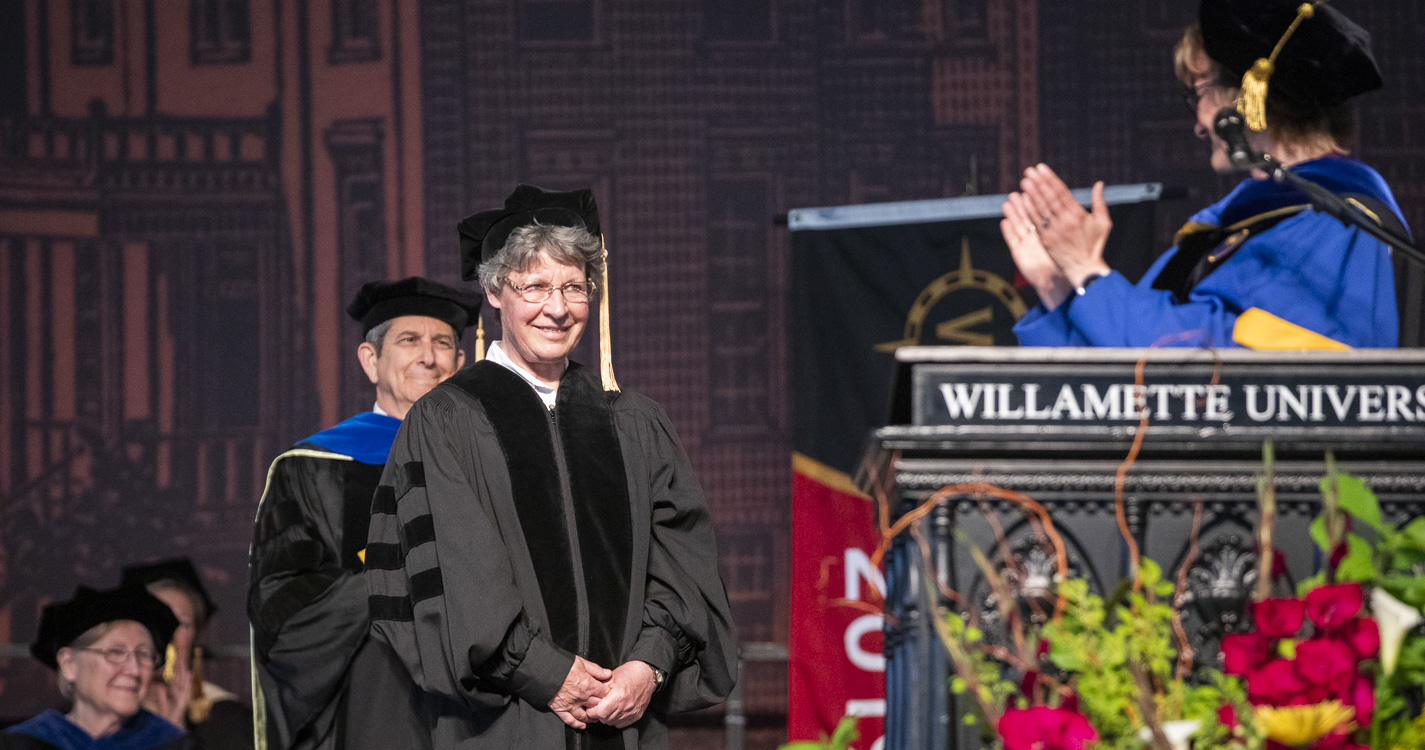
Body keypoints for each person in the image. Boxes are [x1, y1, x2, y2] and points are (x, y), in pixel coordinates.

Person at [365, 185, 737, 749]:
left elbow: (683, 568)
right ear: (494, 290)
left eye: (573, 286)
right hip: (505, 725)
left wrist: (648, 668)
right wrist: (548, 674)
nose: (558, 308)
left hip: (625, 720)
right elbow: (452, 582)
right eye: (534, 286)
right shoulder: (446, 422)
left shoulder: (633, 422)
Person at [1004, 0, 1406, 350]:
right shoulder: (1245, 221)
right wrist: (1059, 287)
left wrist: (1088, 272)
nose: (1197, 124)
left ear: (1248, 97)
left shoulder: (1337, 222)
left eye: (1198, 92)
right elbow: (1116, 381)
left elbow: (1229, 368)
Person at [247, 278, 480, 750]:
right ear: (371, 360)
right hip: (377, 694)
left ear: (460, 364)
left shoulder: (491, 462)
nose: (428, 357)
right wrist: (399, 581)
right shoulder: (312, 468)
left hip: (483, 687)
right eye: (409, 340)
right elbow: (282, 605)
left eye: (442, 344)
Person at [4, 585, 186, 750]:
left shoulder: (170, 743)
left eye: (144, 654)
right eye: (115, 652)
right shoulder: (22, 744)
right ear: (69, 664)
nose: (134, 670)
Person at [121, 559, 253, 750]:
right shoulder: (106, 716)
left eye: (181, 623)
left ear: (196, 638)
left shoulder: (226, 718)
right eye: (154, 618)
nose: (167, 632)